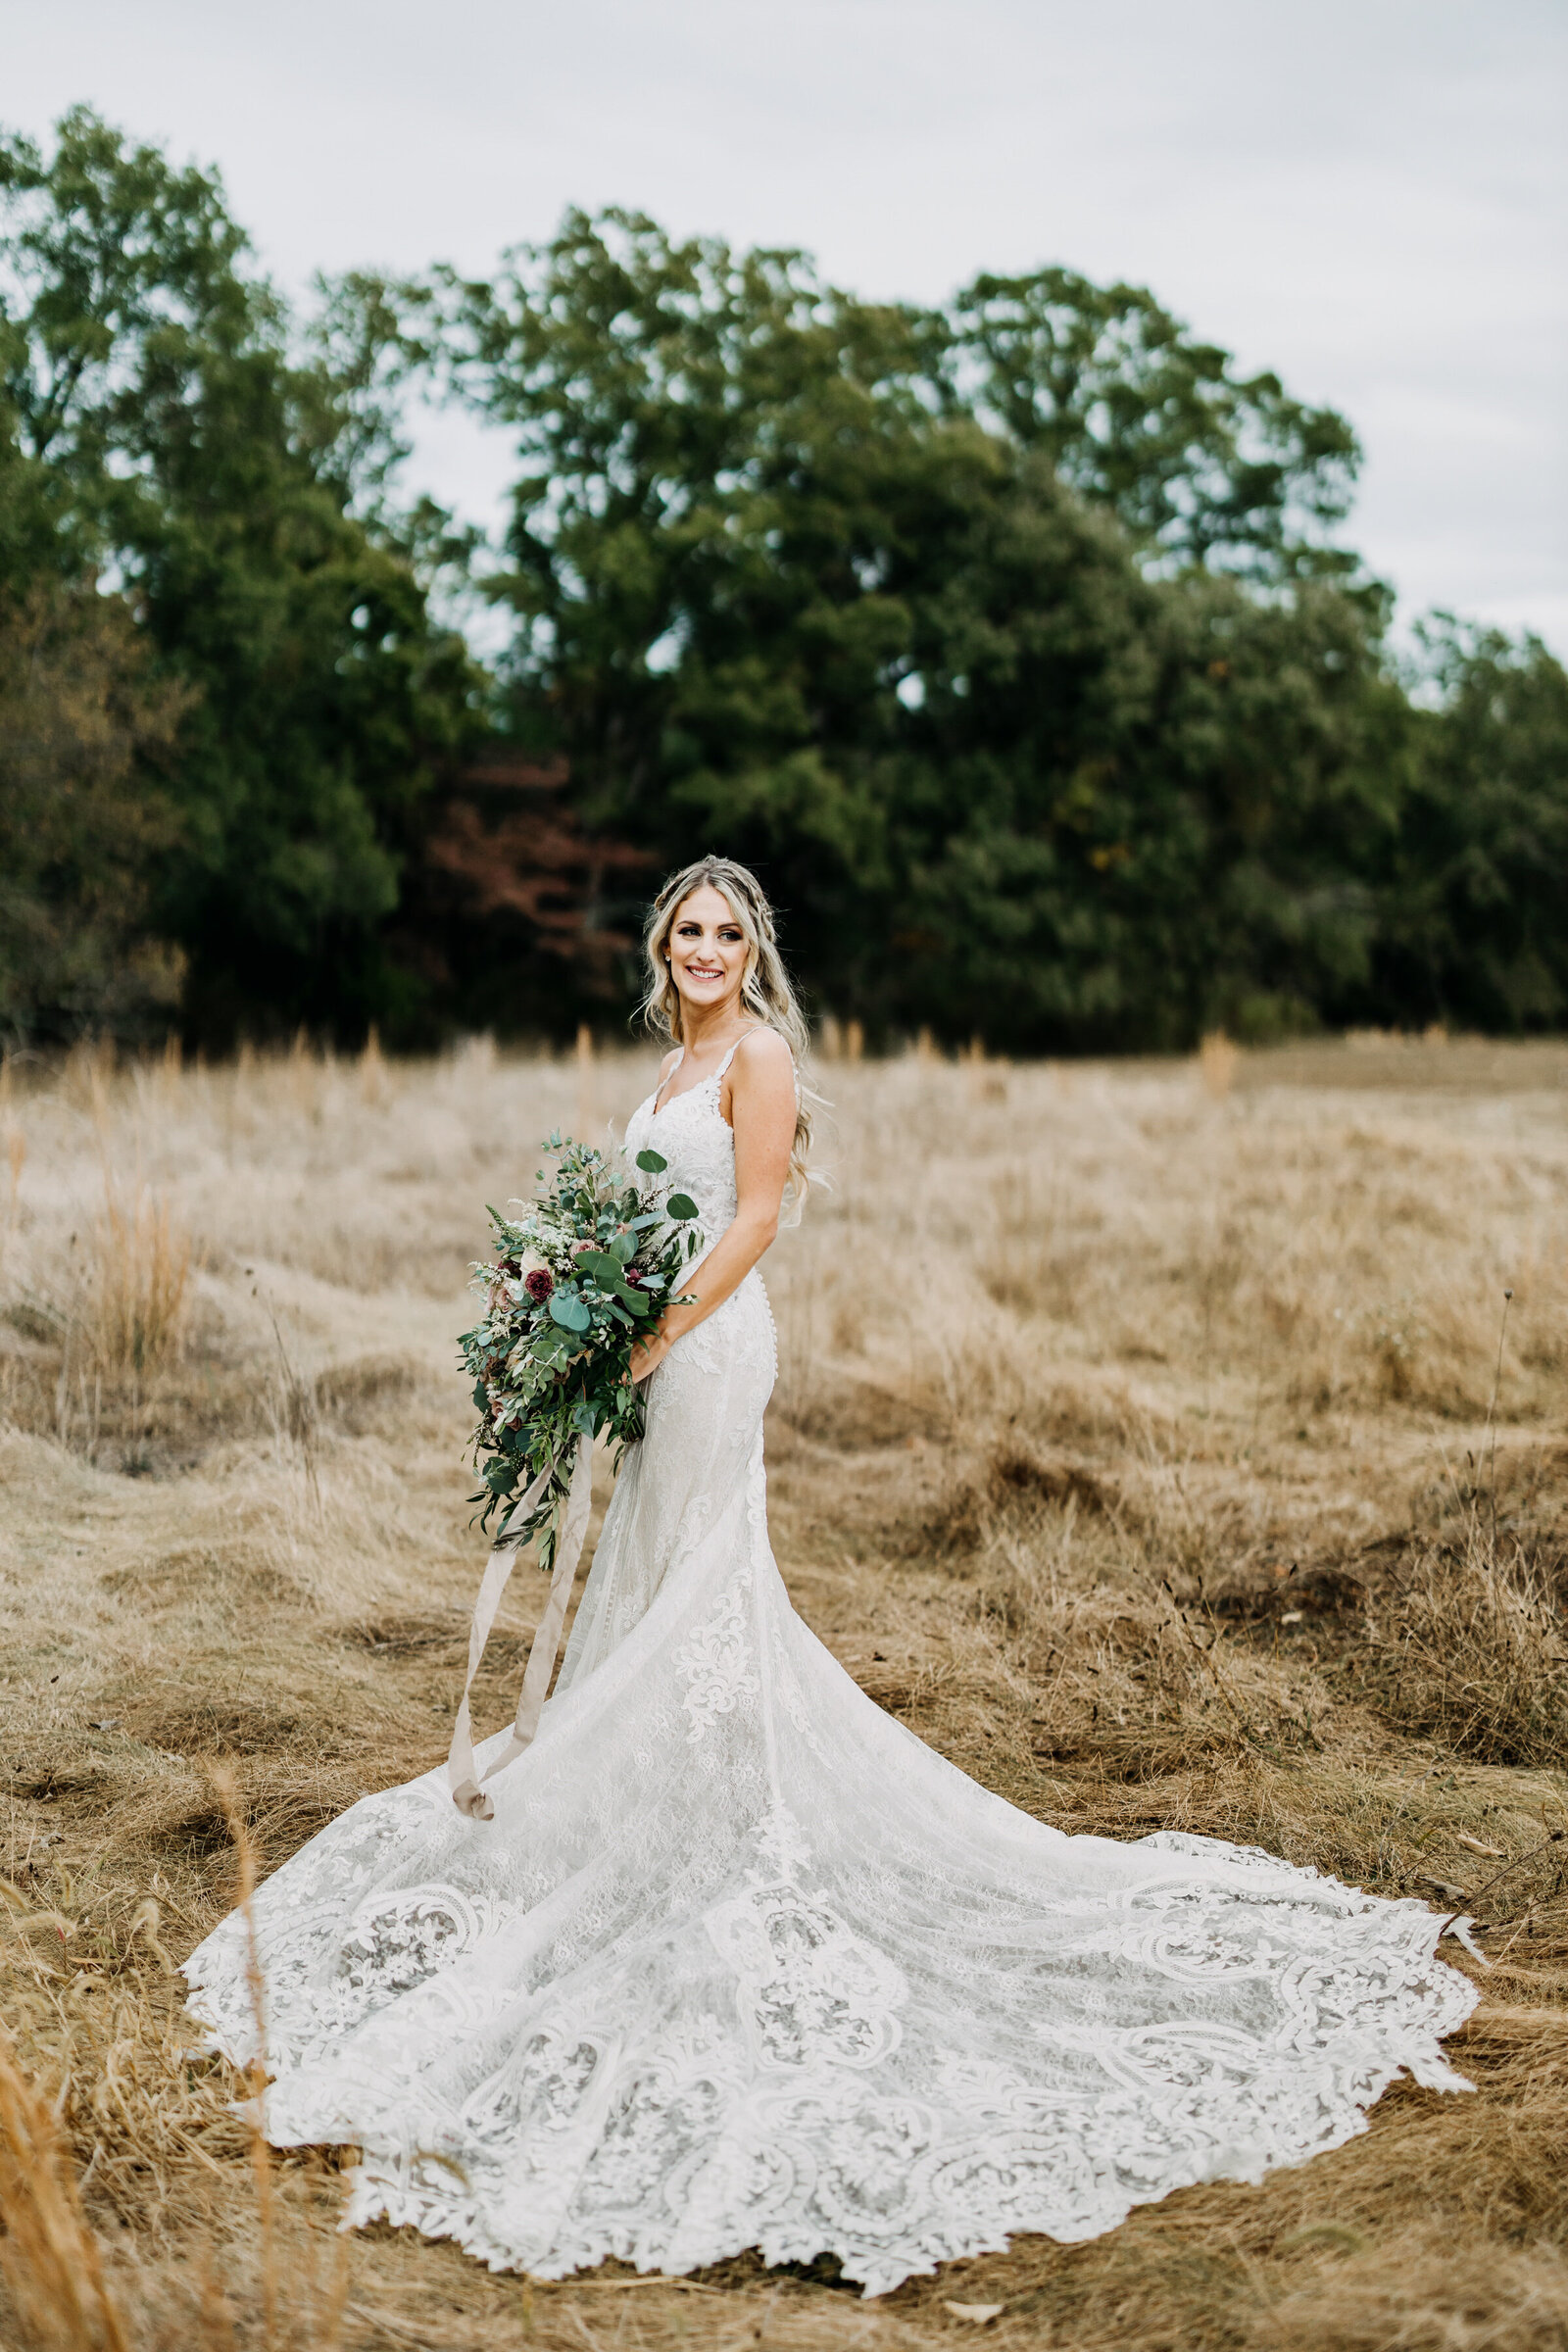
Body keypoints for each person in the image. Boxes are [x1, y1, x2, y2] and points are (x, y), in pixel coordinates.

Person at [184, 857, 1478, 2296]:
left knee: (700, 1582)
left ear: (755, 950)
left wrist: (657, 1337)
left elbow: (751, 1221)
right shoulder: (675, 1056)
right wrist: (572, 1306)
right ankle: (657, 1791)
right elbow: (641, 1214)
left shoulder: (763, 1056)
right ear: (662, 943)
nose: (705, 949)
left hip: (711, 1347)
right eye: (687, 929)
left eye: (728, 933)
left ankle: (723, 1815)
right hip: (651, 1347)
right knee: (653, 1578)